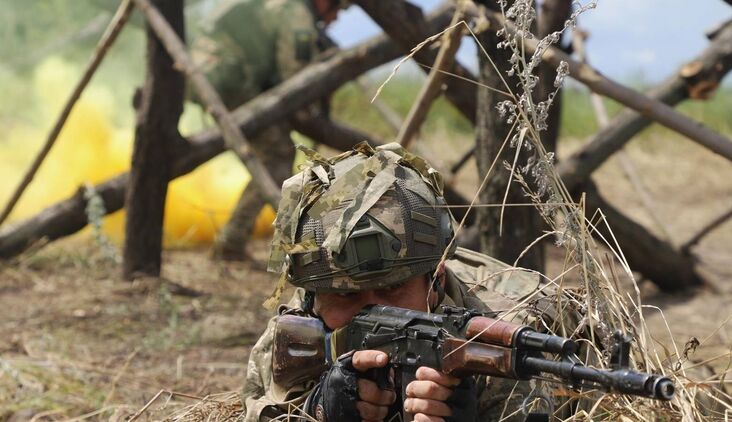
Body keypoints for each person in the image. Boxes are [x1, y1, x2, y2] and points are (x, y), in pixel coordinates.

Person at [242, 143, 580, 422]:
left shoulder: (497, 343)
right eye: (346, 295)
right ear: (312, 298)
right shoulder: (299, 334)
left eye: (392, 290)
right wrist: (318, 409)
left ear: (436, 283)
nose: (372, 310)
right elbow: (260, 408)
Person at [191, 0, 345, 260]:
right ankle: (231, 241)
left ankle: (236, 239)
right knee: (277, 154)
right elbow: (296, 78)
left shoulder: (280, 5)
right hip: (227, 74)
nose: (337, 18)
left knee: (273, 151)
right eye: (338, 8)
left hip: (209, 67)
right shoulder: (297, 15)